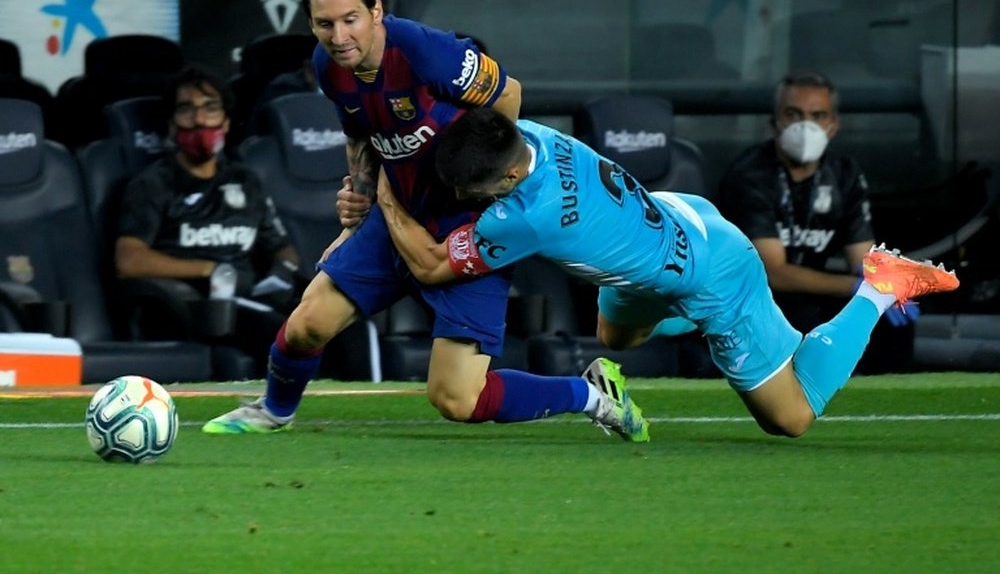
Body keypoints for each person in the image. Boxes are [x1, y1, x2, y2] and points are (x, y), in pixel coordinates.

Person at [202, 0, 649, 441]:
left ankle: (591, 394)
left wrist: (487, 186)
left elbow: (509, 96)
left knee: (457, 399)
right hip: (396, 216)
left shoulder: (425, 53)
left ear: (375, 9)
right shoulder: (329, 68)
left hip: (466, 226)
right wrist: (362, 195)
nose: (339, 35)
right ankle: (273, 411)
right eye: (325, 24)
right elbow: (360, 130)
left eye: (350, 19)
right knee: (307, 324)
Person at [374, 108, 959, 437]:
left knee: (791, 417)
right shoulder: (529, 135)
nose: (461, 197)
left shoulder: (525, 218)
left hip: (712, 272)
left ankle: (879, 288)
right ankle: (684, 323)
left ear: (504, 182)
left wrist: (382, 190)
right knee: (615, 338)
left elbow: (429, 264)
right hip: (665, 226)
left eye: (471, 191)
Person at [717, 69, 917, 373]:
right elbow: (773, 272)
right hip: (752, 301)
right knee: (804, 311)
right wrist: (857, 287)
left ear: (833, 126)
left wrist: (889, 287)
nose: (805, 125)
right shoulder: (750, 175)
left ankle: (885, 402)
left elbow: (864, 259)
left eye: (818, 115)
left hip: (817, 297)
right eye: (793, 114)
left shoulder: (845, 174)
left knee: (892, 315)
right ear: (774, 124)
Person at [115, 65, 304, 376]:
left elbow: (282, 247)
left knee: (336, 324)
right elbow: (128, 260)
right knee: (287, 335)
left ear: (226, 122)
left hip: (251, 299)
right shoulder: (152, 185)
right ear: (172, 125)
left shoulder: (246, 181)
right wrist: (208, 270)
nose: (200, 120)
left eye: (210, 109)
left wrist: (283, 271)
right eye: (187, 110)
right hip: (192, 309)